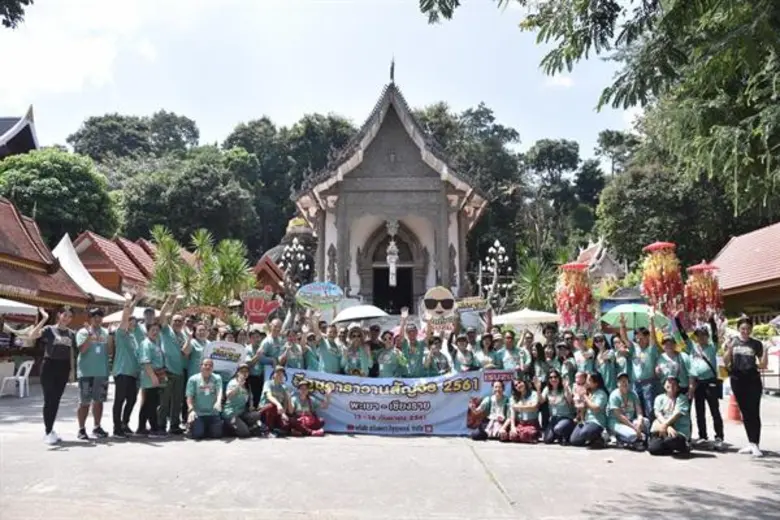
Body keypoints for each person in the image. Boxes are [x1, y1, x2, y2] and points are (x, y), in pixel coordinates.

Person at [26, 307, 75, 445]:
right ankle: (48, 432)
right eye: (65, 315)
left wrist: (72, 373)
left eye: (70, 317)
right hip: (49, 366)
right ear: (59, 315)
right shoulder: (49, 329)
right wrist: (44, 319)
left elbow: (71, 353)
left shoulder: (71, 334)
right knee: (49, 399)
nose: (66, 318)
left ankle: (50, 429)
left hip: (64, 368)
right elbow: (32, 335)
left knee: (56, 400)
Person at [723, 315, 768, 457]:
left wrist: (766, 350)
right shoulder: (733, 342)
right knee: (744, 412)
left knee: (754, 411)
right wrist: (729, 348)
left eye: (748, 328)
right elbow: (726, 362)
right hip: (737, 379)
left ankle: (755, 443)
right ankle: (751, 442)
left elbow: (762, 365)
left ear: (751, 329)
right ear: (738, 329)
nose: (745, 331)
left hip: (753, 380)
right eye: (743, 328)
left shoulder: (756, 344)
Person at [678, 314, 724, 448]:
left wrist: (711, 321)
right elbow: (683, 336)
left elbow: (715, 334)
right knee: (699, 410)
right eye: (699, 335)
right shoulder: (692, 347)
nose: (701, 337)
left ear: (707, 336)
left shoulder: (712, 347)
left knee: (714, 410)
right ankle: (703, 436)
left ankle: (719, 436)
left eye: (704, 335)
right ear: (696, 337)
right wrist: (677, 320)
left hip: (710, 382)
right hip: (696, 383)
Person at [74, 308, 110, 440]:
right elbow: (82, 350)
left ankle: (97, 427)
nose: (98, 318)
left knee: (99, 401)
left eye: (100, 316)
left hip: (102, 372)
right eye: (95, 316)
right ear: (90, 318)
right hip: (86, 372)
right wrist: (90, 335)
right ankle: (81, 429)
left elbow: (109, 351)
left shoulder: (106, 333)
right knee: (84, 402)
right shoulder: (82, 332)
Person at [112, 293, 143, 437]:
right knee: (120, 400)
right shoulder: (121, 334)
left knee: (132, 400)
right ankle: (117, 428)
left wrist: (137, 299)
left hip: (133, 374)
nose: (132, 323)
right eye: (129, 321)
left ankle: (125, 424)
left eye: (134, 322)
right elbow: (125, 316)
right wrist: (129, 301)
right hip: (122, 372)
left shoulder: (133, 337)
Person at [619, 314, 658, 419]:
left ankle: (651, 433)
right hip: (635, 384)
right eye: (637, 338)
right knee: (637, 410)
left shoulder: (651, 349)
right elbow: (624, 338)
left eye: (642, 337)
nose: (639, 340)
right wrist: (622, 325)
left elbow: (653, 336)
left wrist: (651, 320)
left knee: (649, 409)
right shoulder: (634, 348)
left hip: (648, 384)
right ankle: (641, 432)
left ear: (647, 337)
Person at [158, 297, 188, 435]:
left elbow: (186, 352)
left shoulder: (184, 335)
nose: (177, 323)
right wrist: (169, 301)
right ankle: (160, 426)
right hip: (167, 371)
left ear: (183, 324)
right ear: (171, 322)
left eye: (180, 321)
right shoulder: (166, 330)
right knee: (164, 402)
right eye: (175, 320)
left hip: (179, 372)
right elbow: (162, 315)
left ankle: (174, 425)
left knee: (177, 401)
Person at [648, 376, 691, 456]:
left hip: (678, 431)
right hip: (664, 430)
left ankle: (684, 446)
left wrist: (665, 425)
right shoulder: (659, 398)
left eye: (674, 383)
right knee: (653, 449)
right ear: (664, 385)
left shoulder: (682, 398)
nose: (671, 385)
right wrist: (667, 427)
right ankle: (669, 449)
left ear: (678, 387)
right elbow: (657, 413)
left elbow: (677, 414)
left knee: (671, 440)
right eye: (669, 382)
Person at [138, 321, 167, 437]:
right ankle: (154, 429)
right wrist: (153, 377)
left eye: (157, 330)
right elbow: (146, 362)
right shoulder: (146, 344)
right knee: (152, 404)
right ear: (147, 331)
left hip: (158, 375)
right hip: (150, 376)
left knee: (148, 403)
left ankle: (141, 428)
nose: (155, 332)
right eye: (152, 330)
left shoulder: (156, 342)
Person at [608, 373, 648, 450]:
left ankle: (637, 439)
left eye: (626, 381)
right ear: (617, 384)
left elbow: (639, 411)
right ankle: (618, 437)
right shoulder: (614, 395)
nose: (624, 383)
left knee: (646, 422)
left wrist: (639, 421)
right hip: (617, 422)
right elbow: (620, 416)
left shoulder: (633, 394)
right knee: (633, 435)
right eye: (621, 381)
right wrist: (634, 428)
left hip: (630, 421)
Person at [186, 358, 224, 440]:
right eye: (205, 365)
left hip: (213, 413)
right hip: (199, 413)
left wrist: (218, 402)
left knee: (217, 435)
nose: (208, 367)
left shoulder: (217, 378)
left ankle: (206, 428)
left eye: (210, 365)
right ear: (201, 366)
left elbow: (219, 391)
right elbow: (189, 397)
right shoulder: (193, 379)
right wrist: (191, 410)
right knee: (198, 435)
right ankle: (193, 426)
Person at [569, 372, 609, 448]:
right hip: (586, 421)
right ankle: (593, 439)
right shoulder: (588, 391)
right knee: (574, 440)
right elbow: (581, 406)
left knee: (585, 433)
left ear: (596, 383)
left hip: (597, 422)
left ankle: (601, 438)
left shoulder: (601, 393)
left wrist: (585, 397)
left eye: (589, 380)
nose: (587, 382)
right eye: (587, 379)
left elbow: (596, 408)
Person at [223, 364, 262, 438]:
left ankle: (242, 426)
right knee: (245, 433)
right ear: (237, 373)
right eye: (242, 371)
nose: (244, 373)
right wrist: (238, 385)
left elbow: (250, 398)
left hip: (241, 413)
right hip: (231, 413)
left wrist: (251, 406)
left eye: (246, 371)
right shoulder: (233, 382)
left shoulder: (247, 384)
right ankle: (229, 427)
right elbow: (228, 395)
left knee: (257, 415)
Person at [541, 368, 576, 444]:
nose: (553, 379)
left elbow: (570, 401)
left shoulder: (565, 388)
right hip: (553, 419)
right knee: (547, 440)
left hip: (566, 417)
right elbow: (541, 401)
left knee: (558, 428)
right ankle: (559, 435)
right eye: (551, 377)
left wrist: (566, 388)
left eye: (555, 377)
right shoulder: (547, 389)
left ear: (559, 378)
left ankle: (567, 433)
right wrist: (537, 389)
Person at [258, 366, 294, 436]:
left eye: (282, 374)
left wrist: (283, 413)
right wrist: (278, 404)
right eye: (278, 373)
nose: (280, 375)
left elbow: (285, 403)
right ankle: (266, 430)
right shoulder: (268, 383)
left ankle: (273, 429)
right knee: (272, 406)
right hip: (265, 410)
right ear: (273, 375)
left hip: (277, 412)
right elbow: (269, 396)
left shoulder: (284, 388)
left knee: (286, 425)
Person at [505, 378, 541, 443]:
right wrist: (512, 427)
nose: (518, 385)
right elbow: (512, 413)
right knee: (512, 435)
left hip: (532, 423)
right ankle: (526, 437)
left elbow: (534, 407)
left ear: (524, 382)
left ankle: (531, 436)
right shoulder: (513, 397)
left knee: (527, 434)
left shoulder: (533, 394)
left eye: (519, 382)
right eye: (515, 385)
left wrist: (517, 406)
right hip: (521, 423)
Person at [400, 308, 428, 377]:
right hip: (407, 378)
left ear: (417, 332)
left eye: (413, 331)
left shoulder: (421, 343)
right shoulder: (405, 344)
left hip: (419, 377)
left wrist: (429, 321)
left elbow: (429, 335)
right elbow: (401, 334)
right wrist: (403, 320)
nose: (412, 333)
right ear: (406, 333)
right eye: (409, 332)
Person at [244, 328, 268, 407]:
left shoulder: (263, 348)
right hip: (251, 378)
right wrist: (257, 355)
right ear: (250, 339)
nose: (256, 339)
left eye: (258, 337)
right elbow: (248, 364)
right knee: (252, 399)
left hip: (262, 378)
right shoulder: (247, 349)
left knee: (260, 398)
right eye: (253, 337)